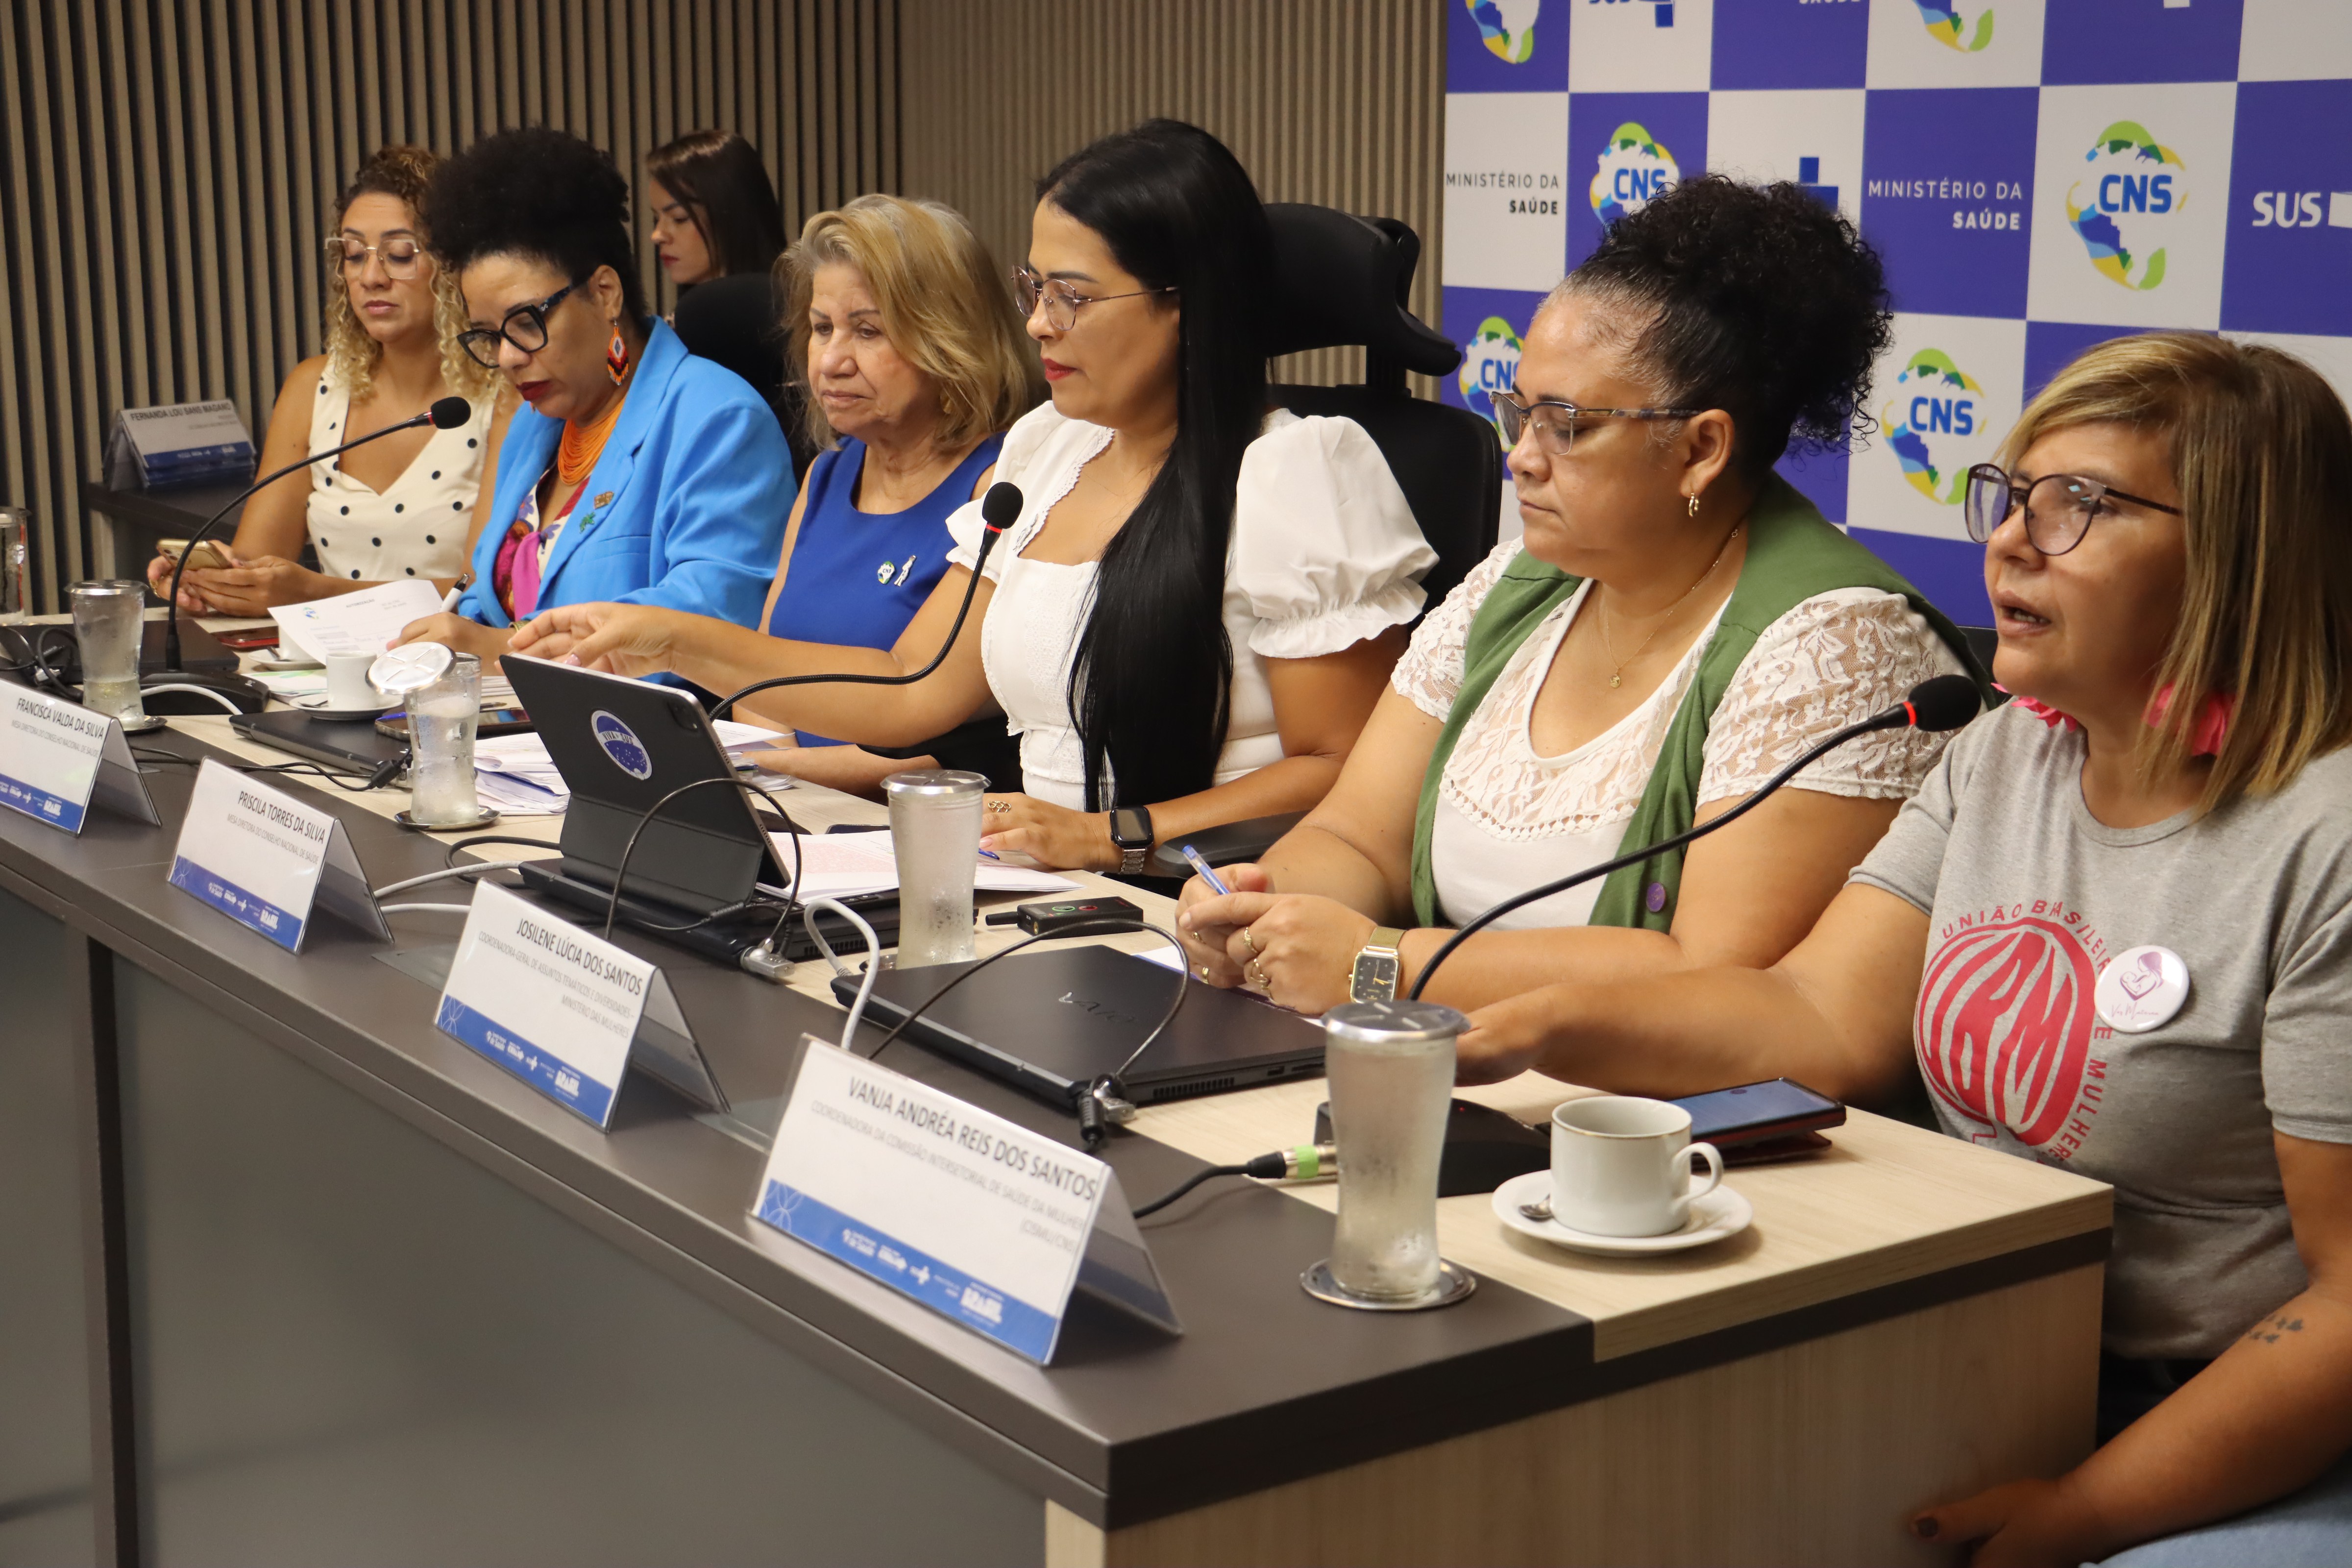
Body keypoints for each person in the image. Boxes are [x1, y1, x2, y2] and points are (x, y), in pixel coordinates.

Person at [1456, 332, 2352, 1567]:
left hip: (2222, 1425)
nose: (2011, 541)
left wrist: (2086, 1513)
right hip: (1991, 1355)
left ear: (2241, 558)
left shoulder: (2324, 840)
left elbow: (2347, 1303)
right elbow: (1819, 1017)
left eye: (2079, 505)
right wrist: (1538, 1030)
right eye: (2013, 497)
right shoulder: (2006, 749)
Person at [512, 120, 1435, 874]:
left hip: (1207, 904)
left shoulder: (1296, 472)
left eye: (1073, 296)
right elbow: (910, 684)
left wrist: (1113, 836)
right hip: (1040, 888)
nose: (1038, 323)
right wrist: (673, 641)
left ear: (1183, 301)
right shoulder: (1045, 449)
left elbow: (1346, 771)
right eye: (1035, 288)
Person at [1174, 176, 1981, 1015]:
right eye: (1519, 414)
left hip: (1641, 1091)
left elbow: (1717, 976)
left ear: (1701, 449)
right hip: (1443, 1052)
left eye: (1566, 426)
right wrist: (1263, 904)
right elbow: (1355, 839)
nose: (1522, 457)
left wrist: (1381, 963)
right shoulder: (1515, 585)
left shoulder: (1841, 648)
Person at [393, 127, 794, 670]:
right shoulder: (534, 425)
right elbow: (483, 603)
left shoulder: (719, 420)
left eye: (526, 323)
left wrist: (500, 650)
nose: (508, 357)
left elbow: (715, 619)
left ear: (605, 293)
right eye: (488, 335)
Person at [744, 194, 1041, 795]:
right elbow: (761, 684)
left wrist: (763, 774)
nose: (831, 360)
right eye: (822, 328)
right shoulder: (825, 476)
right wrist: (771, 786)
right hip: (791, 809)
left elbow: (946, 747)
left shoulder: (1003, 490)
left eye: (867, 331)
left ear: (948, 338)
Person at [145, 146, 509, 613]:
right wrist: (211, 581)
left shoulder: (506, 394)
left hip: (451, 656)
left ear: (454, 263)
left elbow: (483, 594)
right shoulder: (313, 387)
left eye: (400, 255)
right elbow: (260, 565)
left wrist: (314, 592)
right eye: (354, 255)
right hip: (323, 655)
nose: (371, 277)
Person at [646, 129, 787, 291]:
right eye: (657, 218)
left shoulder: (799, 305)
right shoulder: (689, 306)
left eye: (680, 218)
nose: (657, 236)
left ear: (733, 216)